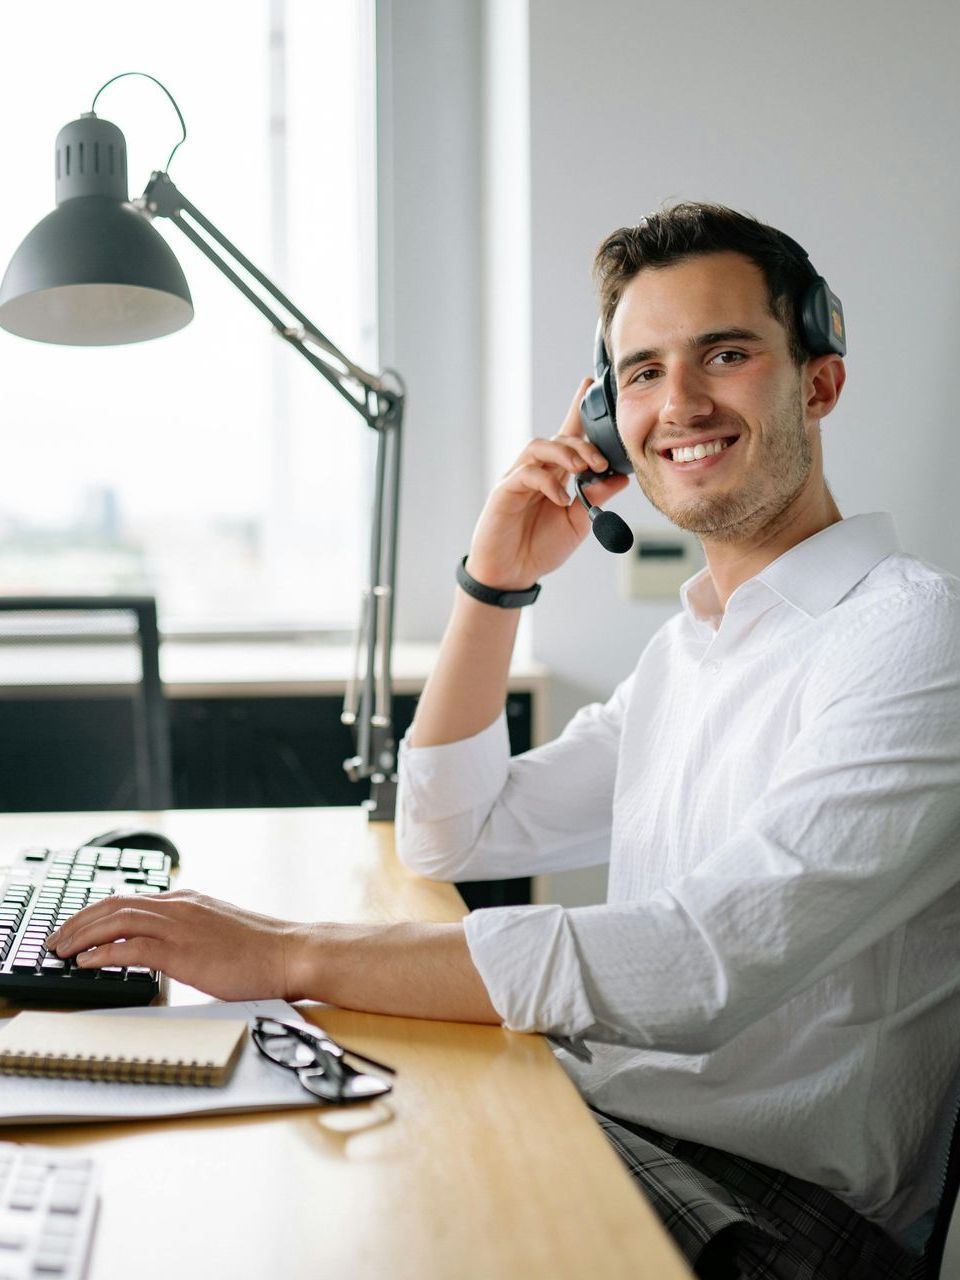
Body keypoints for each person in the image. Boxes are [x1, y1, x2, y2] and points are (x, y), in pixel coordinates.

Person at [48, 204, 960, 1279]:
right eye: (642, 372)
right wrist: (495, 579)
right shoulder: (693, 651)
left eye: (726, 353)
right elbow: (449, 830)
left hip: (772, 1211)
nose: (681, 403)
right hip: (618, 1117)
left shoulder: (912, 638)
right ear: (607, 420)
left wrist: (285, 950)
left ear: (818, 381)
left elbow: (698, 961)